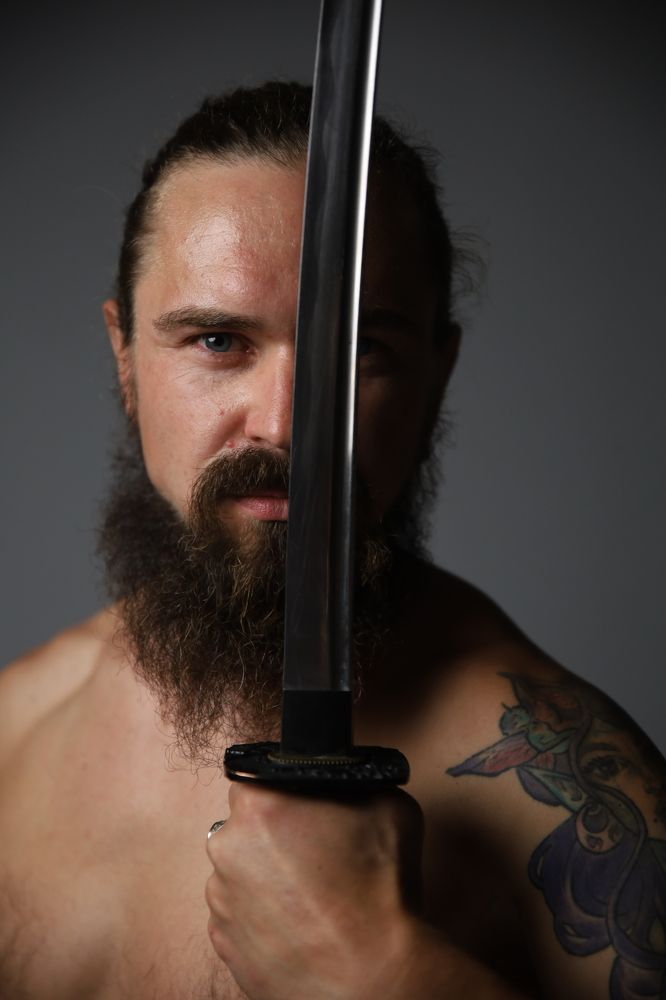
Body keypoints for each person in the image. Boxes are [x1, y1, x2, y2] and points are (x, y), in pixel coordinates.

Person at [0, 80, 663, 1000]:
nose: (286, 426)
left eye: (359, 351)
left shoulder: (576, 801)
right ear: (125, 358)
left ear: (436, 376)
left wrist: (391, 973)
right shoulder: (14, 733)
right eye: (218, 340)